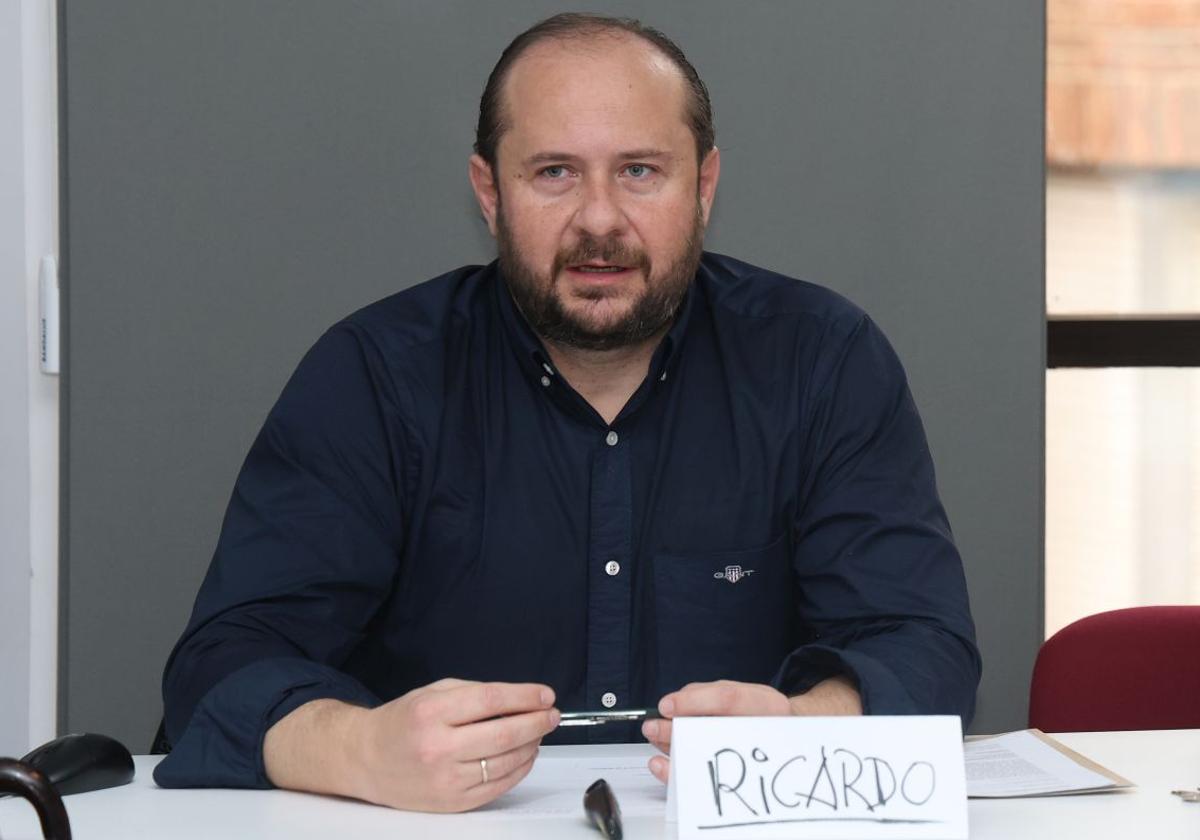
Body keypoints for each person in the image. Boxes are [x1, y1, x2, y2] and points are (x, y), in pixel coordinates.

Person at [155, 12, 980, 813]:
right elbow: (222, 665)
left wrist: (800, 728)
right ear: (489, 192)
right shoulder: (374, 375)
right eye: (554, 172)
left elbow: (922, 647)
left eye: (640, 171)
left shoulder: (819, 360)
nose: (598, 220)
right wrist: (361, 749)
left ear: (705, 186)